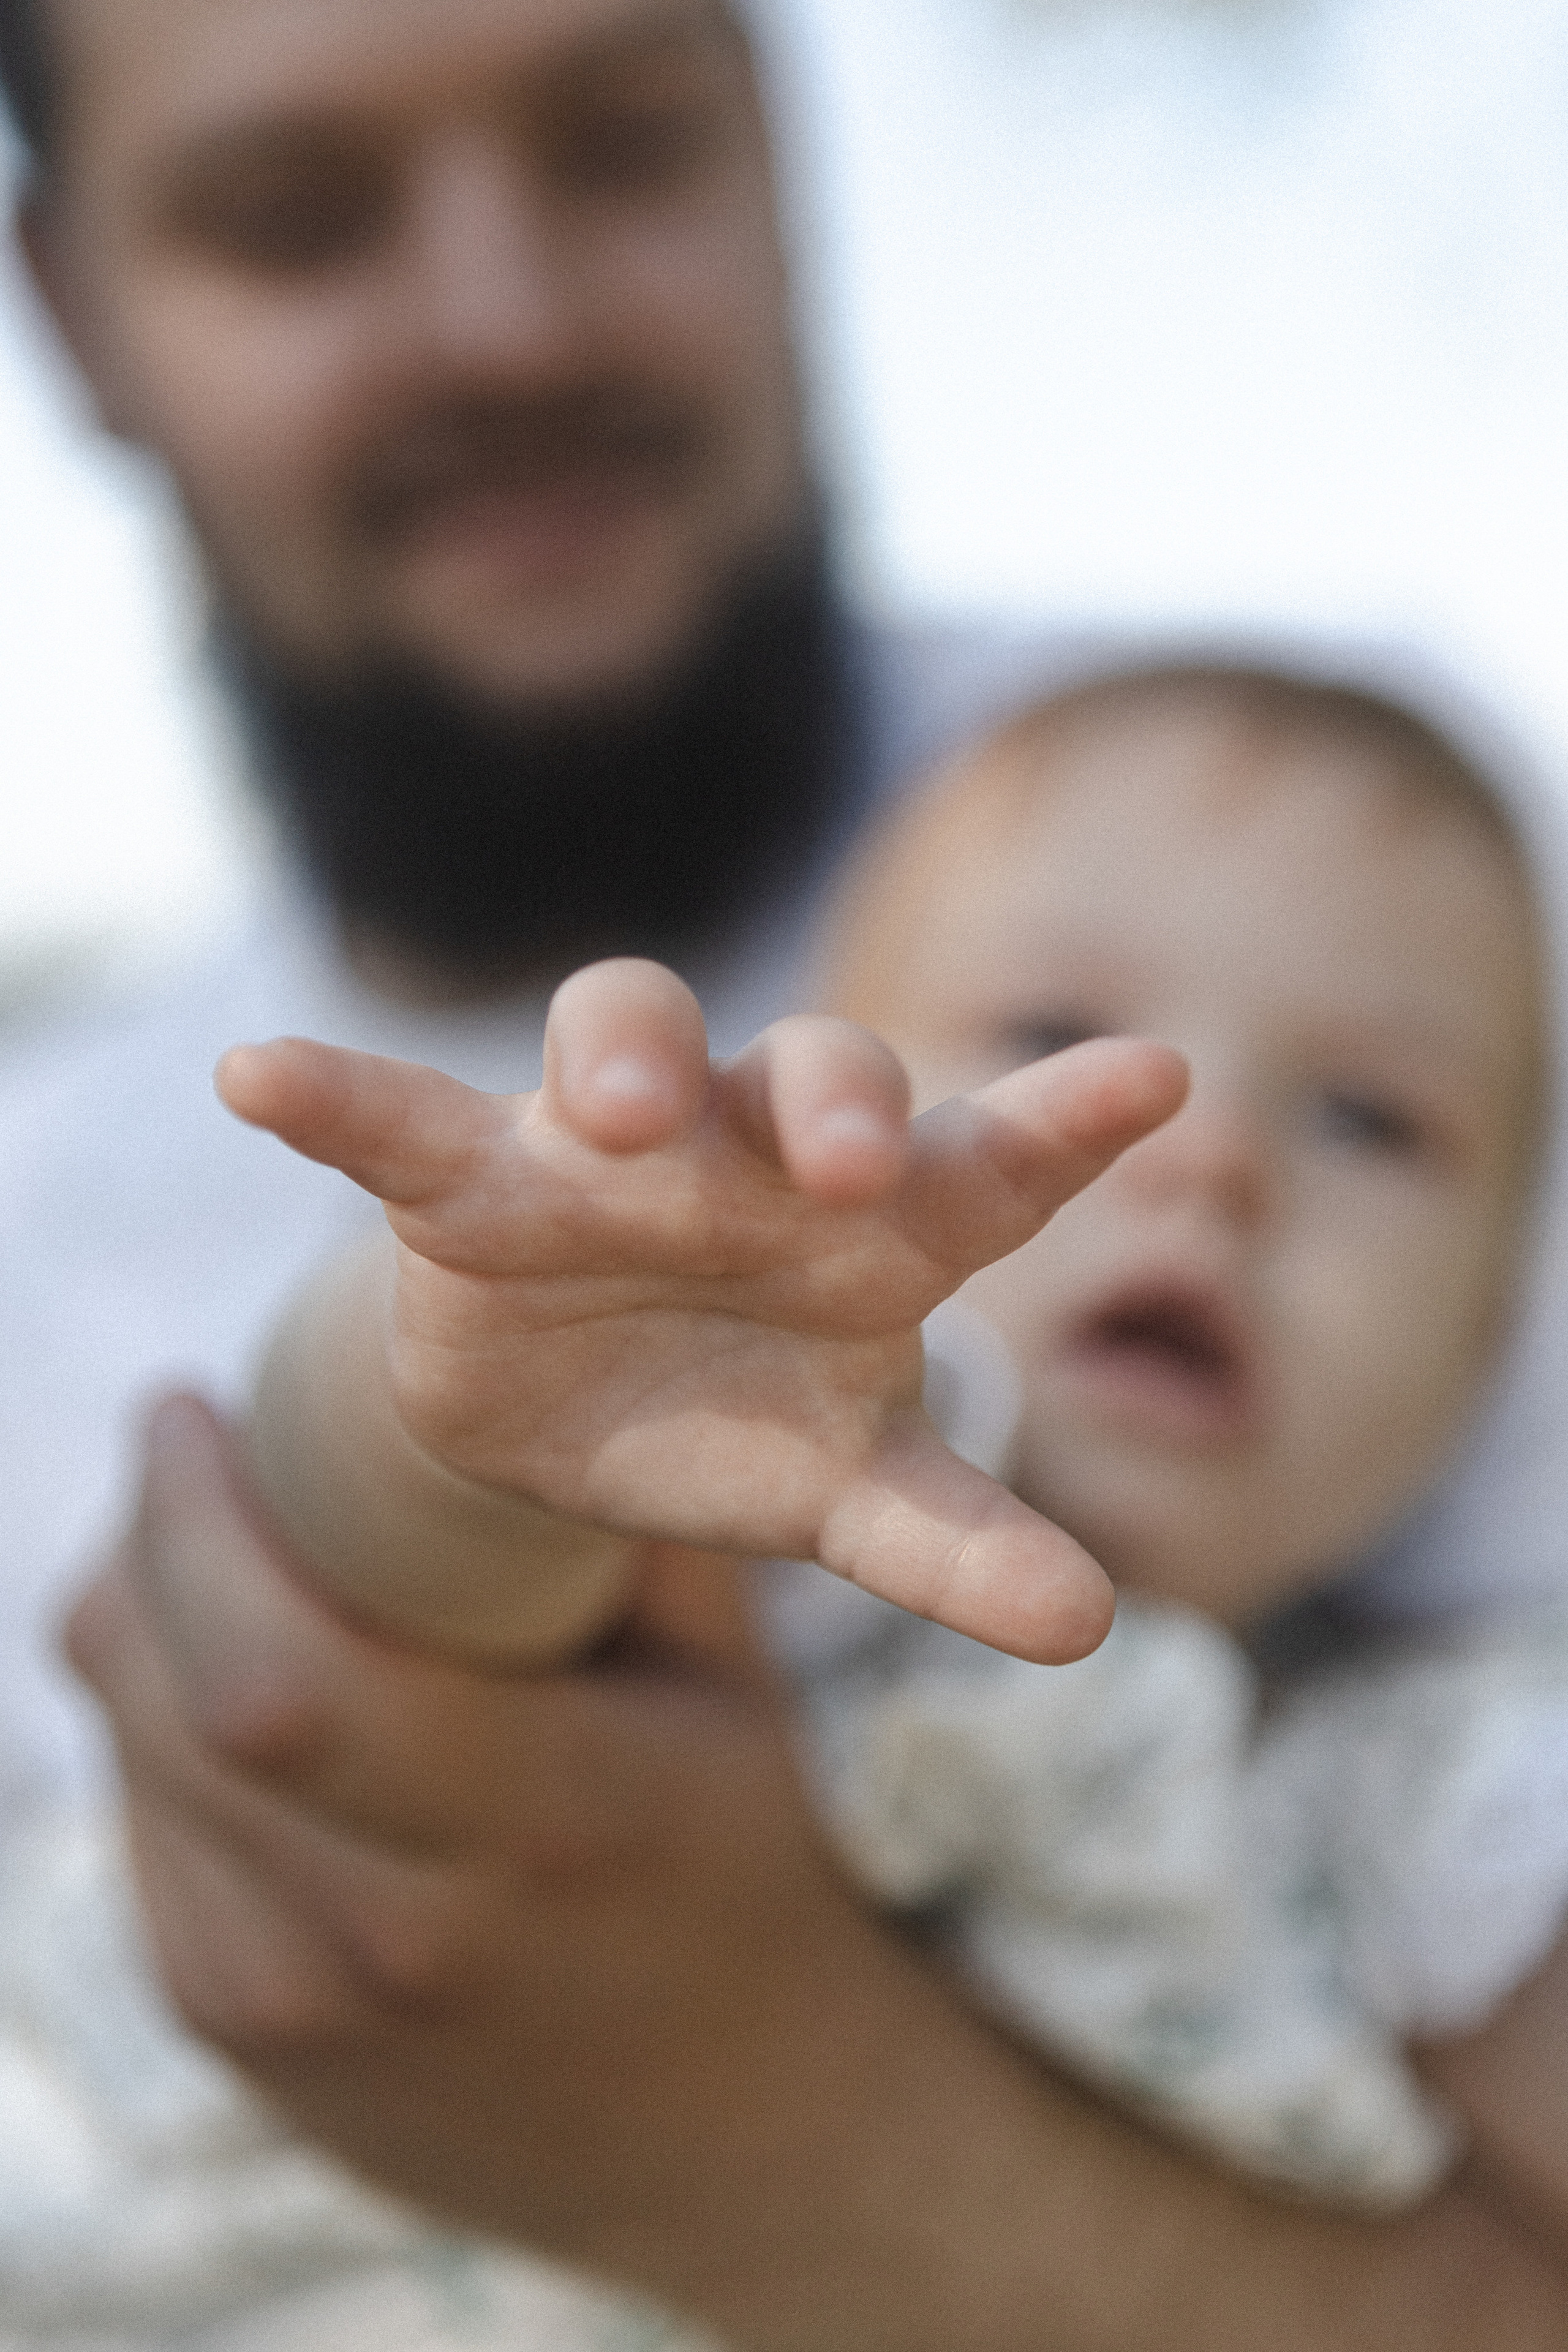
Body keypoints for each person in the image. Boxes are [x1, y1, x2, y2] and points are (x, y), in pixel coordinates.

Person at [5, 0, 1568, 2342]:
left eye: (625, 145)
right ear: (74, 308)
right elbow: (390, 1567)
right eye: (297, 219)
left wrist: (803, 2139)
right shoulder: (58, 1227)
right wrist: (473, 1383)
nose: (506, 319)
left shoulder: (1354, 855)